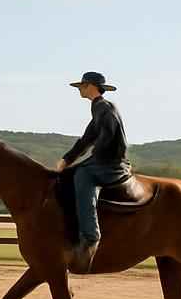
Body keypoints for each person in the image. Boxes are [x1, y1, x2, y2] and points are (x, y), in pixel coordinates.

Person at [53, 71, 131, 273]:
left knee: (82, 175)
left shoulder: (104, 107)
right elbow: (86, 139)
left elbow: (108, 136)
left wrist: (89, 161)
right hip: (104, 161)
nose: (80, 89)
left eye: (82, 85)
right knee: (73, 172)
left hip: (111, 164)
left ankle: (90, 236)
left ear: (91, 87)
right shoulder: (98, 108)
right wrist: (66, 159)